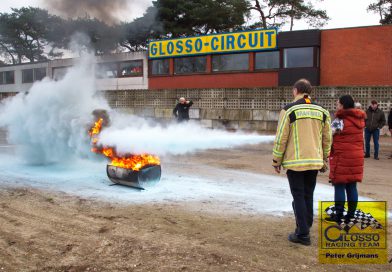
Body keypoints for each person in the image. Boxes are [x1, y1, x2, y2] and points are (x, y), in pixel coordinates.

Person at [272, 79, 332, 246]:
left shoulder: (288, 110)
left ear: (295, 90)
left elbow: (281, 138)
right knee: (308, 195)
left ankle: (303, 234)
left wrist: (276, 160)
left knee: (298, 196)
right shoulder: (322, 111)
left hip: (295, 162)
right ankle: (306, 226)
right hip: (314, 162)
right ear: (309, 91)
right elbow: (328, 138)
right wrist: (324, 158)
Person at [327, 95, 366, 223]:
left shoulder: (340, 120)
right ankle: (351, 215)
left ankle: (338, 215)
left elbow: (328, 135)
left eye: (338, 104)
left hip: (342, 157)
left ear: (343, 105)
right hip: (356, 157)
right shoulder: (360, 120)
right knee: (352, 186)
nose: (337, 106)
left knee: (339, 185)